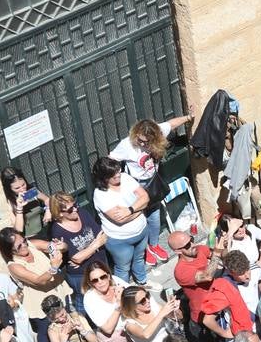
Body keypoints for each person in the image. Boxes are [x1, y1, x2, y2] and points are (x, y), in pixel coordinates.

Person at [109, 114, 193, 254]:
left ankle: (153, 244)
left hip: (153, 182)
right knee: (139, 218)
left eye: (146, 142)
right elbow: (111, 159)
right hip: (136, 185)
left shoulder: (158, 132)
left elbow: (171, 124)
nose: (142, 144)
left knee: (154, 216)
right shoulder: (126, 145)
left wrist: (189, 117)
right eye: (139, 140)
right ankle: (143, 250)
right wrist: (113, 180)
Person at [47, 192, 110, 314]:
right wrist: (95, 245)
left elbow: (102, 237)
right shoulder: (57, 231)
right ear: (60, 214)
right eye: (70, 209)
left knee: (104, 295)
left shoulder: (83, 213)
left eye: (75, 204)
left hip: (100, 265)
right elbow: (77, 258)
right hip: (80, 275)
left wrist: (84, 254)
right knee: (84, 303)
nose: (75, 209)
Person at [80, 260, 137, 342]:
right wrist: (118, 306)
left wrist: (124, 294)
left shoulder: (116, 282)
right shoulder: (90, 299)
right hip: (112, 337)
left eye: (103, 277)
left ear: (108, 275)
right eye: (95, 280)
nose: (100, 281)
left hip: (129, 327)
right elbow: (107, 328)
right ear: (90, 283)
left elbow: (134, 295)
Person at [91, 156, 150, 284]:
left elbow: (145, 197)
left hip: (142, 230)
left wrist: (130, 210)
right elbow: (120, 220)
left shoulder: (126, 178)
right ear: (104, 178)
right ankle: (123, 294)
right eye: (114, 175)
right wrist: (140, 209)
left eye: (118, 171)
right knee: (123, 268)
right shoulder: (101, 194)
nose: (118, 175)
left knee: (139, 259)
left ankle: (143, 282)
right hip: (120, 240)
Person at [0, 226, 65, 314]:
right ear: (10, 251)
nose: (25, 245)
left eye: (24, 240)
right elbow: (38, 281)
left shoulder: (31, 244)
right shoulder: (14, 266)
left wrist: (62, 246)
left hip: (61, 294)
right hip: (44, 308)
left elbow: (55, 247)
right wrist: (53, 268)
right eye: (19, 246)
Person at [197, 249, 258, 342]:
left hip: (260, 324)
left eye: (247, 270)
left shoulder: (256, 271)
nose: (247, 276)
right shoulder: (224, 289)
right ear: (230, 272)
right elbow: (207, 320)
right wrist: (225, 333)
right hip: (243, 337)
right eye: (241, 273)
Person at [0, 166, 50, 252]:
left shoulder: (31, 192)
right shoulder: (10, 203)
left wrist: (48, 210)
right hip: (30, 240)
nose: (22, 189)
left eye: (23, 184)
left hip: (45, 232)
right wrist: (19, 207)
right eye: (17, 188)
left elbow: (47, 199)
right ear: (9, 189)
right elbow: (18, 229)